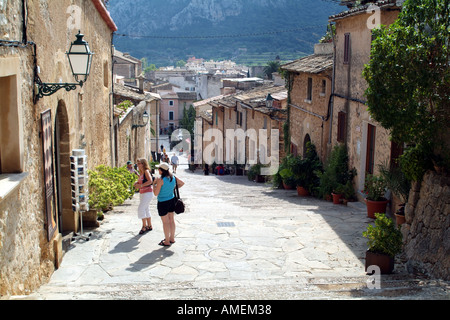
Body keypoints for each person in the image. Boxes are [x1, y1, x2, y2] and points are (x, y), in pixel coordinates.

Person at [152, 162, 184, 246]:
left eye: (158, 169)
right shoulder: (173, 177)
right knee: (171, 220)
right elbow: (181, 183)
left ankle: (166, 241)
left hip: (163, 202)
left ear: (161, 170)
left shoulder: (160, 180)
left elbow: (156, 193)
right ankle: (172, 238)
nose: (158, 170)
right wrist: (171, 188)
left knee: (165, 222)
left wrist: (153, 185)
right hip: (171, 200)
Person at [134, 158, 154, 235]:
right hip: (143, 193)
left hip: (147, 193)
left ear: (143, 164)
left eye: (139, 163)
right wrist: (137, 183)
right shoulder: (141, 173)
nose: (138, 165)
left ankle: (144, 226)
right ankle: (149, 225)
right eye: (137, 163)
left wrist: (141, 185)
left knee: (141, 208)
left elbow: (150, 181)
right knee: (146, 208)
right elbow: (141, 181)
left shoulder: (146, 171)